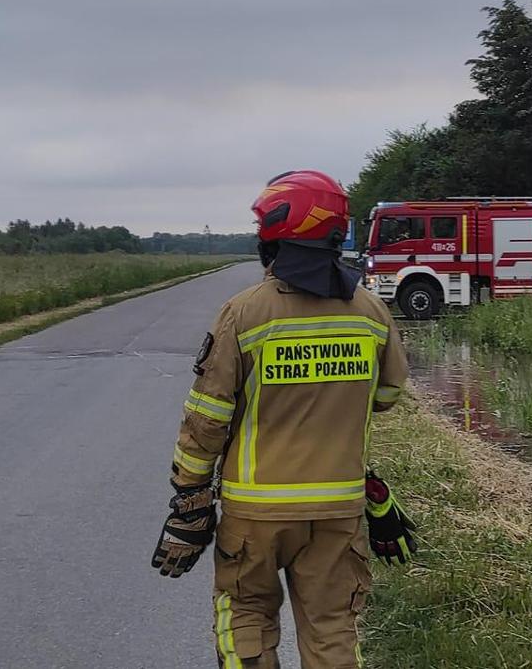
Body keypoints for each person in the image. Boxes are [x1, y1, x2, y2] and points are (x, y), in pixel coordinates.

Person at [151, 170, 416, 668]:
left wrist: (190, 498)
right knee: (333, 630)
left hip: (256, 513)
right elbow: (387, 394)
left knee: (246, 618)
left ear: (272, 237)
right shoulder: (370, 311)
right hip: (338, 508)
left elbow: (207, 418)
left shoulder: (244, 312)